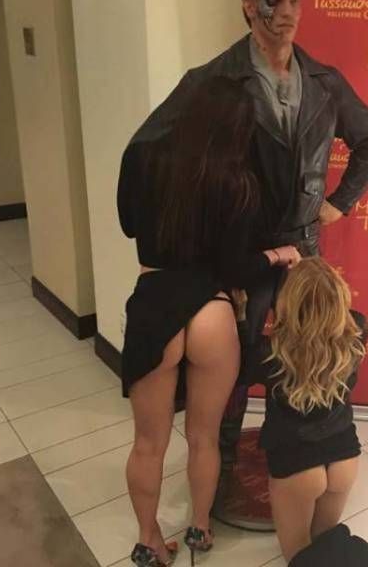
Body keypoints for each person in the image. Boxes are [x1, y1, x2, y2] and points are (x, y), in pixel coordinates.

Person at [122, 0, 368, 475]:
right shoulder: (212, 80)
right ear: (248, 4)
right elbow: (144, 149)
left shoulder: (325, 82)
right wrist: (165, 226)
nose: (286, 12)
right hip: (241, 252)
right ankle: (221, 467)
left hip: (304, 249)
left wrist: (339, 202)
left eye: (296, 0)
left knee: (310, 347)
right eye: (272, 0)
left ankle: (296, 454)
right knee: (234, 363)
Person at [117, 77, 301, 567]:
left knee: (148, 444)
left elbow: (129, 225)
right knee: (204, 436)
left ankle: (148, 540)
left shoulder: (141, 159)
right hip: (210, 311)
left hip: (154, 303)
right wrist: (278, 254)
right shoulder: (237, 181)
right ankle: (200, 526)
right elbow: (236, 270)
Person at [247, 257, 368, 563]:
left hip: (296, 462)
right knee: (325, 550)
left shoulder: (270, 352)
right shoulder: (358, 331)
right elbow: (335, 313)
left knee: (300, 558)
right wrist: (315, 279)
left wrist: (241, 313)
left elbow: (241, 364)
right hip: (344, 456)